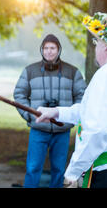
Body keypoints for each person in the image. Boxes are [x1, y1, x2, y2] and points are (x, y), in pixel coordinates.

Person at [36, 11, 107, 188]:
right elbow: (98, 112)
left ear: (105, 46)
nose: (95, 47)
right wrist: (57, 112)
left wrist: (72, 172)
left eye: (96, 42)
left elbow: (98, 130)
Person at [13, 33, 86, 188]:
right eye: (46, 48)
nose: (49, 51)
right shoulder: (30, 71)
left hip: (62, 131)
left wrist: (71, 116)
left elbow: (82, 97)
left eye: (52, 48)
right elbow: (19, 95)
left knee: (59, 170)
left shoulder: (73, 72)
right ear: (41, 50)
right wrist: (30, 116)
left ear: (58, 50)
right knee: (33, 168)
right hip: (38, 129)